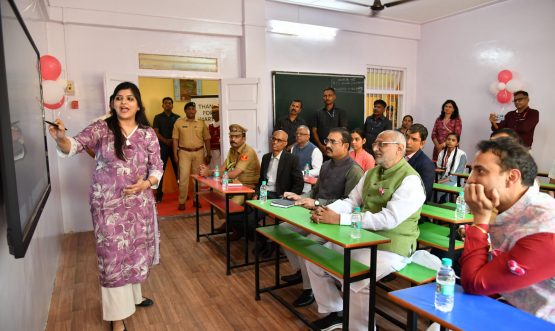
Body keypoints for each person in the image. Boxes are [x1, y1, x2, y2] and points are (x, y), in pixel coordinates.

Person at [47, 82, 163, 331]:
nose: (124, 102)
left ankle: (134, 297)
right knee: (112, 258)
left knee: (134, 253)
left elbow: (157, 167)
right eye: (119, 98)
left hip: (139, 205)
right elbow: (74, 145)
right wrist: (60, 139)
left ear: (138, 104)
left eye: (130, 98)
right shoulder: (102, 129)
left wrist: (147, 183)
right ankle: (117, 317)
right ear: (112, 103)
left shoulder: (147, 133)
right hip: (108, 208)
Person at [306, 130, 425, 331]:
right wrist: (326, 210)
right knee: (314, 257)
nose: (375, 149)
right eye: (375, 144)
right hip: (363, 239)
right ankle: (335, 312)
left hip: (391, 247)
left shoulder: (410, 180)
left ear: (399, 149)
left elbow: (388, 219)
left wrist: (339, 219)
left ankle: (360, 328)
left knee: (356, 279)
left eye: (382, 144)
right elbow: (352, 201)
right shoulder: (371, 172)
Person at [460, 138, 555, 323]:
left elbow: (474, 282)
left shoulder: (545, 228)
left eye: (480, 171)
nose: (470, 179)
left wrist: (480, 219)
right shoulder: (508, 209)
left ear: (512, 177)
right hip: (507, 304)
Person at [281, 127, 364, 308]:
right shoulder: (326, 165)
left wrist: (317, 203)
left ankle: (309, 288)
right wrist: (303, 197)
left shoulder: (354, 170)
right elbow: (315, 191)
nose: (327, 145)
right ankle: (300, 271)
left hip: (335, 221)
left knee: (307, 244)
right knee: (283, 230)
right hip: (315, 213)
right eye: (327, 141)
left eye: (333, 142)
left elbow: (350, 204)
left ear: (346, 146)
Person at [241, 130, 304, 246]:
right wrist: (257, 193)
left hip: (279, 196)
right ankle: (262, 241)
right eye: (273, 139)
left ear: (285, 143)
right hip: (265, 193)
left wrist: (289, 198)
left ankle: (264, 244)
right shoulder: (265, 157)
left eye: (279, 140)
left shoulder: (291, 159)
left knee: (249, 220)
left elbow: (299, 183)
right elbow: (262, 180)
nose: (275, 142)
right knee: (242, 215)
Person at [199, 124, 260, 232]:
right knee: (216, 197)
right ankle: (232, 224)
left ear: (244, 138)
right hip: (235, 186)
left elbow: (234, 173)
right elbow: (223, 169)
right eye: (231, 136)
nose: (233, 139)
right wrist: (209, 172)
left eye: (237, 136)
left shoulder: (247, 151)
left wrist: (209, 172)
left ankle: (237, 227)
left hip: (248, 188)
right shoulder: (232, 150)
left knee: (230, 206)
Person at [172, 102, 211, 210]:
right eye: (188, 109)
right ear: (185, 111)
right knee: (183, 178)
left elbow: (207, 139)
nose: (191, 111)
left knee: (197, 178)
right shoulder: (178, 123)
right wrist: (175, 154)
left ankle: (196, 200)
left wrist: (209, 153)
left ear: (195, 111)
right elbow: (175, 139)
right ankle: (182, 201)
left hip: (199, 152)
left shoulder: (201, 123)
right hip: (184, 153)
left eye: (193, 109)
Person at [152, 97, 180, 202]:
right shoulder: (157, 117)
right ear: (162, 105)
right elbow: (156, 132)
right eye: (166, 103)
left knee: (178, 171)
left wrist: (172, 141)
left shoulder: (178, 118)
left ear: (172, 105)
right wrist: (166, 141)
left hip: (174, 147)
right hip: (162, 148)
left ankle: (182, 193)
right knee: (160, 172)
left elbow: (180, 133)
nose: (168, 105)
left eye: (170, 103)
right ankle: (159, 195)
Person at [311, 87, 348, 158]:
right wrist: (320, 145)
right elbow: (314, 130)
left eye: (329, 95)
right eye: (325, 96)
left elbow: (343, 130)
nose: (327, 98)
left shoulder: (341, 112)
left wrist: (335, 145)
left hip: (336, 148)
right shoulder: (317, 113)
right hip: (321, 149)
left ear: (334, 97)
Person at [405, 124, 435, 202]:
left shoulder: (426, 164)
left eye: (414, 139)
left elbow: (424, 194)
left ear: (422, 143)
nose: (408, 142)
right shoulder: (397, 156)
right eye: (407, 137)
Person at [291, 125, 323, 193]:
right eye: (297, 133)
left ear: (308, 136)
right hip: (293, 183)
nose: (298, 135)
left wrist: (302, 173)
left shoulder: (315, 150)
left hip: (307, 186)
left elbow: (318, 170)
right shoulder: (293, 148)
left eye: (301, 134)